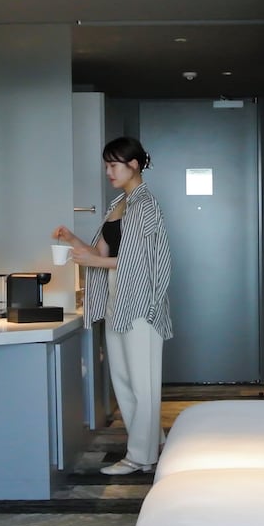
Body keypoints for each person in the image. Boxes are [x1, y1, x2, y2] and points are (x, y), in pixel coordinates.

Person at [53, 137, 173, 475]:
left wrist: (91, 260)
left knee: (143, 384)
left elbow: (139, 261)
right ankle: (150, 445)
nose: (108, 172)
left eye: (113, 165)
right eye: (106, 165)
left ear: (133, 165)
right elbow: (102, 254)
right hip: (116, 302)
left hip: (141, 304)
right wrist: (72, 240)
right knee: (123, 381)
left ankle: (140, 457)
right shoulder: (119, 204)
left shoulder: (146, 205)